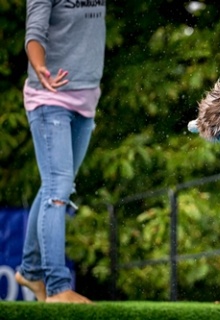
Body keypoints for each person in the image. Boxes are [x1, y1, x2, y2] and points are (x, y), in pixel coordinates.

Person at [15, 0, 106, 303]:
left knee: (54, 185)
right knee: (59, 188)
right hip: (49, 96)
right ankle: (57, 287)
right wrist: (39, 66)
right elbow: (34, 32)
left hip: (86, 98)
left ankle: (29, 272)